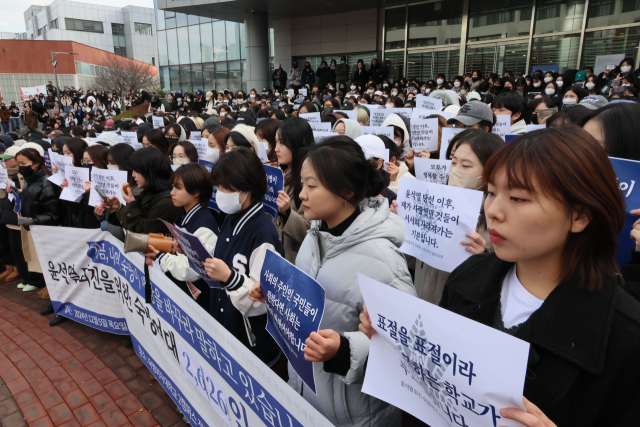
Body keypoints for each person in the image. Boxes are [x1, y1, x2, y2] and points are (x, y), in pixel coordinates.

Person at [249, 136, 416, 427]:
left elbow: (407, 350)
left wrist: (344, 350)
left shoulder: (384, 262)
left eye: (312, 186)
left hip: (354, 414)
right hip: (306, 391)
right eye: (302, 184)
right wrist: (275, 294)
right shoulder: (316, 235)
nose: (301, 194)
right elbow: (309, 302)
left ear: (346, 192)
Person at [205, 148, 285, 366]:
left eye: (224, 187)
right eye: (218, 186)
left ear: (246, 189)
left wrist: (230, 278)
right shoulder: (231, 218)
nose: (219, 192)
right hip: (227, 326)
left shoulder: (262, 234)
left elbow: (263, 300)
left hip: (251, 344)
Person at [411, 130, 504, 303]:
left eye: (466, 166)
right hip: (421, 303)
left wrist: (483, 257)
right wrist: (406, 226)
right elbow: (413, 262)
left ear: (490, 170)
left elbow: (502, 282)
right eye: (453, 162)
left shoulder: (498, 219)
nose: (455, 170)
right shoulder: (433, 204)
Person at [146, 163, 219, 312]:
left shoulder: (204, 226)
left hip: (199, 306)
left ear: (196, 191)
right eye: (173, 186)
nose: (172, 192)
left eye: (178, 188)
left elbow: (191, 269)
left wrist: (161, 257)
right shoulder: (185, 215)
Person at [7, 148, 63, 298]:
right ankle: (44, 284)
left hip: (44, 231)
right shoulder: (29, 181)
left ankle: (51, 288)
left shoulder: (46, 183)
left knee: (46, 259)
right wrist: (16, 192)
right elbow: (30, 199)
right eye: (18, 163)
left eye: (23, 163)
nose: (20, 167)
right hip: (32, 228)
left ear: (36, 164)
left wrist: (33, 220)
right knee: (34, 258)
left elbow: (53, 215)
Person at [98, 147, 182, 234]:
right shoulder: (149, 192)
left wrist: (131, 203)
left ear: (150, 171)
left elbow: (142, 233)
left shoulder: (168, 202)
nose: (133, 174)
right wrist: (118, 207)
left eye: (136, 171)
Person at [274, 118, 314, 263]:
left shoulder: (310, 181)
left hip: (295, 262)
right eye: (276, 142)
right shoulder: (281, 175)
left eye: (282, 143)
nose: (276, 148)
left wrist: (287, 213)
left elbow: (311, 231)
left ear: (297, 143)